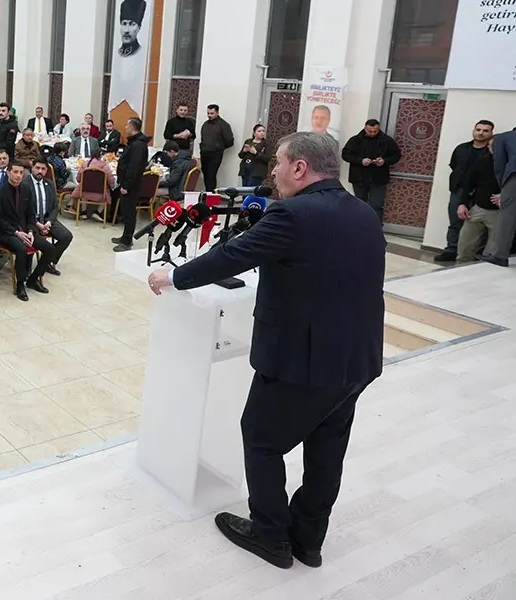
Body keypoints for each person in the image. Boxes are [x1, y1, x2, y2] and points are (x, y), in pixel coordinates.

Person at [146, 131, 384, 570]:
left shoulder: (292, 214)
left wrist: (173, 276)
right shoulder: (364, 212)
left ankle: (270, 534)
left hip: (301, 361)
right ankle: (308, 540)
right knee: (326, 451)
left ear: (300, 167)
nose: (273, 171)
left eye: (278, 162)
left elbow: (231, 256)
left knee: (261, 439)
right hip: (357, 360)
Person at [0, 160, 55, 300]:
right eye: (15, 172)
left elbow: (31, 215)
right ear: (8, 172)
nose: (18, 175)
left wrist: (31, 231)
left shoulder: (26, 189)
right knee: (21, 249)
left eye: (21, 173)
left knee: (49, 248)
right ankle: (20, 284)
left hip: (26, 230)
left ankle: (33, 279)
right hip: (7, 232)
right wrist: (17, 233)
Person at [436, 120, 495, 263]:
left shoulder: (491, 151)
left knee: (478, 224)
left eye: (485, 131)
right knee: (455, 221)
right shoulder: (462, 148)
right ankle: (451, 249)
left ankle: (475, 253)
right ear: (474, 130)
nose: (481, 133)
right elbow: (454, 165)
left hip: (481, 192)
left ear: (491, 133)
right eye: (478, 129)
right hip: (460, 189)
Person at [340, 119, 401, 222]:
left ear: (379, 128)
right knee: (359, 204)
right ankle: (358, 226)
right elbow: (346, 154)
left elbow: (396, 155)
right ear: (365, 128)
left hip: (379, 178)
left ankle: (375, 227)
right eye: (370, 131)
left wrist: (384, 161)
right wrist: (360, 161)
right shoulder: (355, 140)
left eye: (375, 131)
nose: (372, 133)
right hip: (359, 177)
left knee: (376, 205)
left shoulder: (387, 140)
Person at [455, 138, 501, 263]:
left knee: (492, 253)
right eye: (489, 146)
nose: (490, 149)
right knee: (465, 247)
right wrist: (462, 204)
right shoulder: (483, 161)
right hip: (478, 207)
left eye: (494, 146)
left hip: (500, 212)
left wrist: (506, 195)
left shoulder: (511, 163)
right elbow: (469, 184)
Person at [29, 159, 73, 276]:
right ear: (32, 168)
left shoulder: (49, 184)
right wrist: (37, 223)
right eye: (37, 168)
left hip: (47, 218)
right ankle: (28, 267)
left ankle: (47, 262)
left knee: (66, 236)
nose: (40, 171)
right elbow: (24, 209)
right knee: (33, 240)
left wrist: (49, 221)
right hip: (32, 221)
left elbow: (54, 207)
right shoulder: (25, 184)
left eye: (43, 169)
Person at [112, 117, 149, 253]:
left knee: (129, 213)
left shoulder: (138, 145)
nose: (125, 128)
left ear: (133, 128)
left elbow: (134, 168)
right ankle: (124, 236)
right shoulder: (134, 142)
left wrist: (126, 185)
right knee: (126, 211)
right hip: (128, 182)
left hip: (131, 185)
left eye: (127, 126)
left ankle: (127, 241)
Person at [483, 125, 516, 267]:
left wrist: (504, 189)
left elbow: (499, 165)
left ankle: (500, 256)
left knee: (508, 216)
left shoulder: (503, 137)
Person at [199, 104, 236, 191]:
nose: (209, 115)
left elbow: (230, 141)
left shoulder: (223, 125)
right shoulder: (205, 124)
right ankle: (208, 193)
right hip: (204, 152)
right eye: (208, 113)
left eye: (212, 113)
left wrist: (219, 147)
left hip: (215, 153)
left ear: (217, 113)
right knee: (205, 175)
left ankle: (211, 194)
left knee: (211, 175)